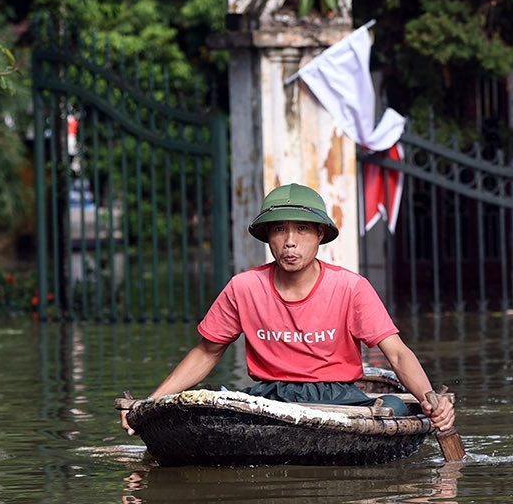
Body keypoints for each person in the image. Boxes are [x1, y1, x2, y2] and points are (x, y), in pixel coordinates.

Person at [121, 183, 456, 434]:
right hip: (271, 396)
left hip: (339, 398)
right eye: (280, 229)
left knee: (397, 406)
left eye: (302, 229)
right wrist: (147, 405)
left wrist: (430, 399)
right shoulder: (244, 287)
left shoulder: (350, 287)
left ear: (319, 233)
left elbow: (396, 354)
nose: (290, 241)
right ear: (268, 236)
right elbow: (207, 352)